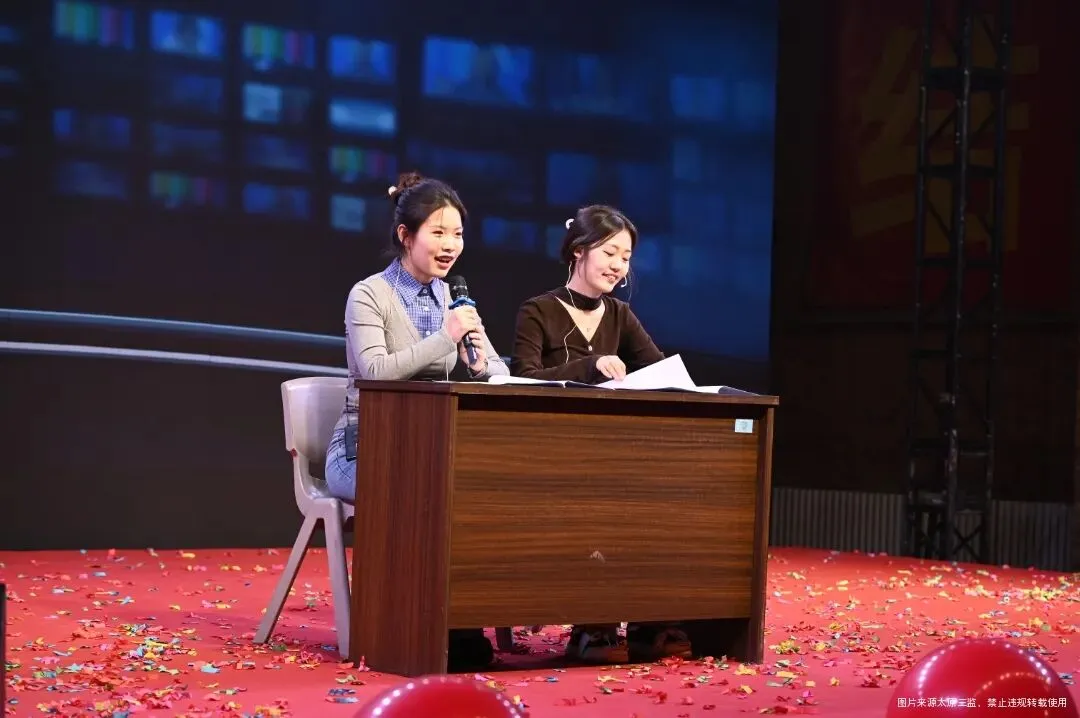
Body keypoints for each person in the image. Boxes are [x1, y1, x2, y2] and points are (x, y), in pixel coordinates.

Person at [324, 171, 508, 670]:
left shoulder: (455, 298)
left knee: (474, 488)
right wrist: (446, 337)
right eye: (438, 232)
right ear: (406, 235)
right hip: (364, 447)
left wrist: (481, 365)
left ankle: (459, 623)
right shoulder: (369, 294)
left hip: (429, 446)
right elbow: (375, 372)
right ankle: (406, 628)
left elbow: (497, 368)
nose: (450, 245)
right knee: (422, 490)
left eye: (458, 234)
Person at [510, 204, 692, 664]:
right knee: (599, 498)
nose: (618, 266)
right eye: (610, 253)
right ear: (578, 250)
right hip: (553, 450)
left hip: (612, 452)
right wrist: (590, 367)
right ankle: (594, 624)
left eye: (626, 258)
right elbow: (523, 379)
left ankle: (650, 620)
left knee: (661, 497)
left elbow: (662, 373)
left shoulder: (620, 315)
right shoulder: (538, 310)